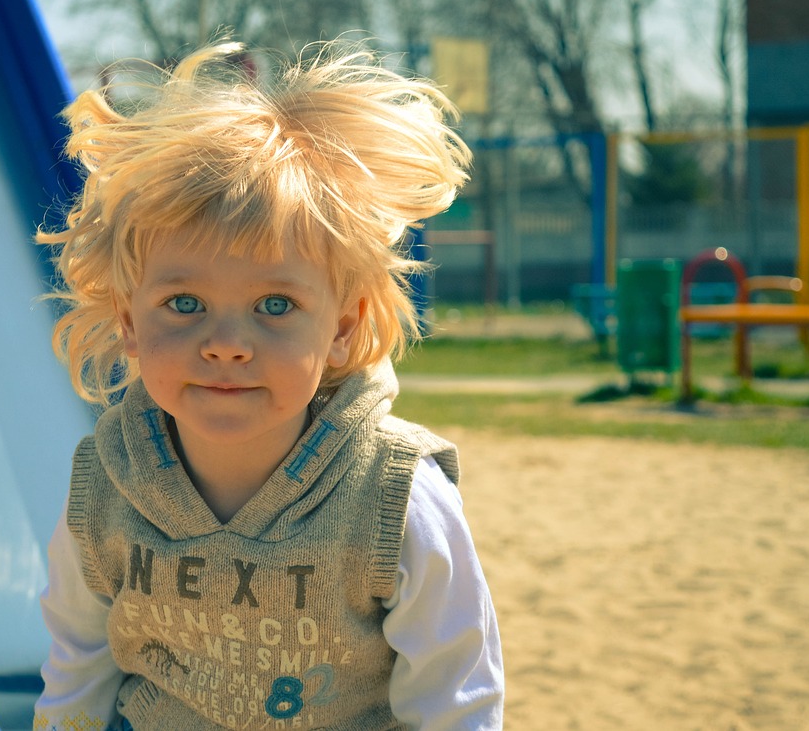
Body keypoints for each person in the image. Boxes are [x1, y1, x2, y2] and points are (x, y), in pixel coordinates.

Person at [33, 40, 503, 730]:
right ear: (129, 322)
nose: (226, 343)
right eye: (184, 303)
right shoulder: (106, 485)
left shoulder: (394, 497)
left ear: (342, 327)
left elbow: (455, 696)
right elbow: (78, 664)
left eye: (275, 306)